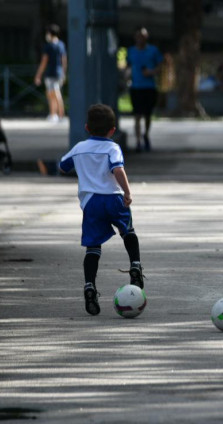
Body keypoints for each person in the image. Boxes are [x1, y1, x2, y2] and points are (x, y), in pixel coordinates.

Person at [58, 104, 144, 316]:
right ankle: (135, 265)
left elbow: (62, 166)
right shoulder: (112, 148)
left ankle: (89, 286)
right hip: (113, 199)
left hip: (91, 204)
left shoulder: (79, 148)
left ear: (87, 127)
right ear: (113, 130)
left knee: (93, 248)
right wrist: (127, 192)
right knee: (128, 232)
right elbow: (118, 169)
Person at [126, 27, 163, 152]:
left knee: (147, 115)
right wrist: (127, 74)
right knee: (137, 115)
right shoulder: (131, 51)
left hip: (149, 87)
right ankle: (138, 141)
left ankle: (146, 134)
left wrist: (151, 72)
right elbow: (128, 66)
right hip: (136, 87)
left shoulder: (153, 51)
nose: (141, 39)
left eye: (143, 36)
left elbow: (160, 67)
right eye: (139, 36)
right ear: (135, 38)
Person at [34, 24, 67, 122]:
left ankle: (60, 115)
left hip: (50, 73)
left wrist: (38, 75)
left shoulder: (48, 46)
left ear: (50, 34)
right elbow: (64, 60)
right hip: (59, 72)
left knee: (54, 94)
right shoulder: (61, 45)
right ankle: (54, 114)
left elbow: (44, 62)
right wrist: (64, 73)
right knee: (53, 94)